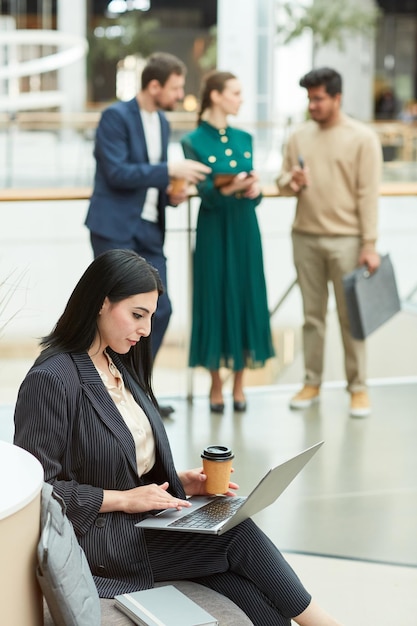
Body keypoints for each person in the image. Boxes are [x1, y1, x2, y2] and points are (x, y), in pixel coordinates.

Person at [13, 249, 342, 626]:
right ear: (101, 303)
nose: (146, 330)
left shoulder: (117, 361)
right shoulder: (52, 379)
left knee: (237, 581)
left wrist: (178, 483)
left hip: (137, 523)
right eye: (137, 315)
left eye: (150, 317)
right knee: (237, 535)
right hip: (97, 541)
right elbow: (37, 493)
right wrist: (125, 498)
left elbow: (121, 456)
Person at [85, 52, 211, 416]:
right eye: (175, 87)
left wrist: (172, 193)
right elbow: (118, 173)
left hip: (149, 231)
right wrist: (169, 168)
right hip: (114, 229)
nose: (179, 94)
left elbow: (150, 178)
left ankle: (137, 390)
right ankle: (106, 395)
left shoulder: (163, 123)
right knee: (112, 315)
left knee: (160, 309)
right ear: (153, 85)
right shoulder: (115, 116)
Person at [276, 67, 383, 418]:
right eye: (309, 98)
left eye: (319, 98)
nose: (312, 105)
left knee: (351, 318)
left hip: (348, 241)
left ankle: (359, 388)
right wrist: (292, 180)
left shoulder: (362, 138)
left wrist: (369, 244)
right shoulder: (299, 136)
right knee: (312, 318)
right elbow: (280, 181)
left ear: (337, 97)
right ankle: (311, 382)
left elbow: (369, 194)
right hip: (305, 236)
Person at [181, 71, 275, 413]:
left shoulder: (245, 137)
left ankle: (239, 383)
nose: (241, 99)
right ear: (217, 96)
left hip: (245, 229)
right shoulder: (192, 141)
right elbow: (207, 195)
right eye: (235, 92)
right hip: (213, 230)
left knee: (246, 296)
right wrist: (232, 187)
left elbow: (252, 195)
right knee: (214, 298)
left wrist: (254, 189)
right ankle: (215, 383)